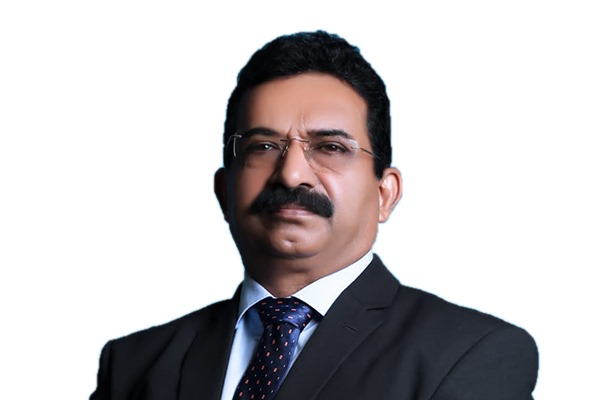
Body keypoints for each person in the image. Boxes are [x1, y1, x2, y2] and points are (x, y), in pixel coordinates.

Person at [90, 30, 538, 400]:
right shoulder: (133, 366)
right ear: (224, 191)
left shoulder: (470, 355)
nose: (291, 174)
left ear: (385, 193)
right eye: (264, 146)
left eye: (330, 147)